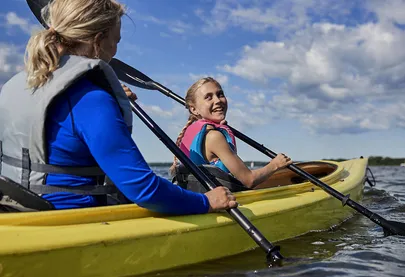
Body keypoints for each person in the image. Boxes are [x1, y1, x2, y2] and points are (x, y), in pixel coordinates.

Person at [0, 0, 237, 213]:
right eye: (116, 41)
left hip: (18, 210)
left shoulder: (17, 85)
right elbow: (144, 190)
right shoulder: (92, 100)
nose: (115, 52)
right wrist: (206, 201)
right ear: (98, 40)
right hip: (68, 220)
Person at [171, 77, 293, 189]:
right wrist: (275, 164)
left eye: (220, 94)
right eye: (208, 97)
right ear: (194, 109)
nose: (218, 100)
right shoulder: (214, 137)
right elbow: (248, 180)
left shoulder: (190, 133)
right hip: (219, 205)